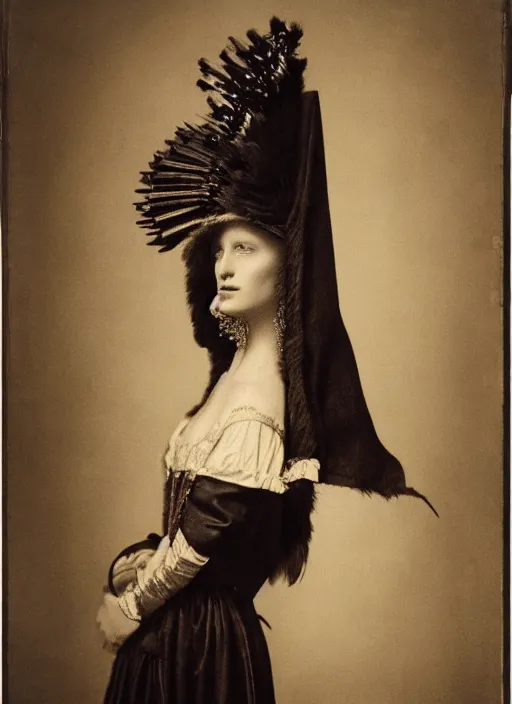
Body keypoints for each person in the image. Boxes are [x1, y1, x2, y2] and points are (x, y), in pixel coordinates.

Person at [96, 16, 438, 704]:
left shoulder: (264, 398)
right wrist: (139, 562)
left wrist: (130, 609)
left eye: (246, 248)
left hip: (202, 655)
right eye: (220, 248)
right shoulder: (230, 380)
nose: (223, 265)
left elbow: (207, 536)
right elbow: (191, 526)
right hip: (172, 641)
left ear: (289, 267)